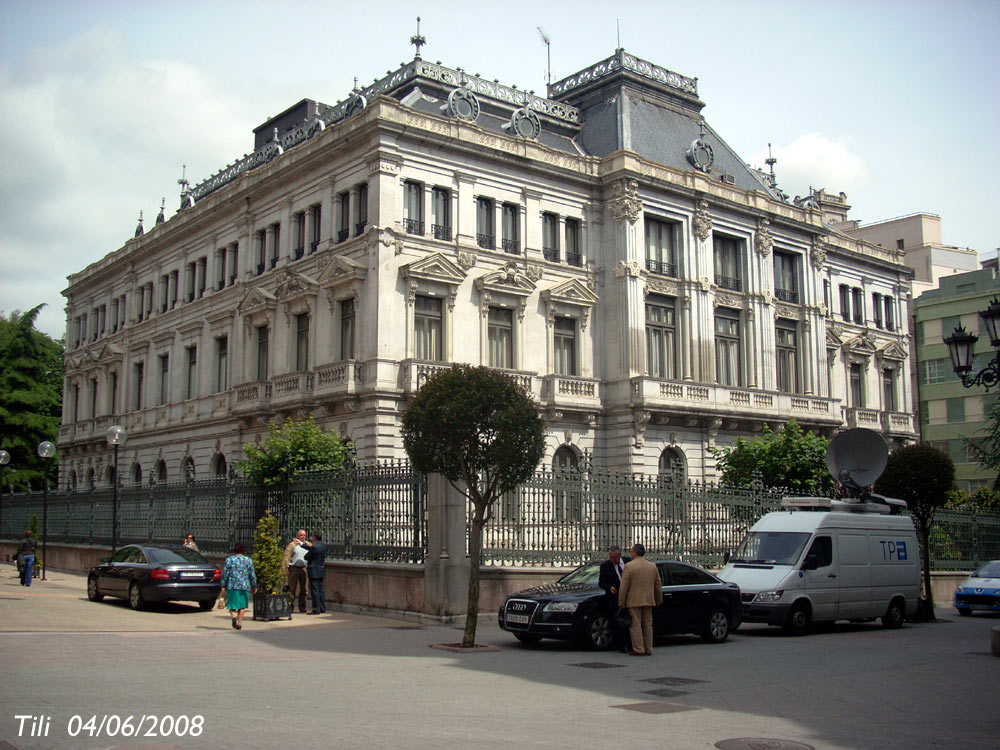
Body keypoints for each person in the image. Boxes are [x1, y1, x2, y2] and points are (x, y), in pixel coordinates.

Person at [618, 542, 663, 656]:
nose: (631, 553)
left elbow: (624, 587)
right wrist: (658, 599)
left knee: (635, 625)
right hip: (648, 599)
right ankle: (648, 648)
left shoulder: (629, 566)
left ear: (635, 552)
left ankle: (639, 648)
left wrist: (621, 602)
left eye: (632, 551)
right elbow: (658, 584)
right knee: (648, 625)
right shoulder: (652, 566)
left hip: (633, 600)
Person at [598, 544, 629, 652]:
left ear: (620, 556)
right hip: (614, 598)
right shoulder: (605, 566)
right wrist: (609, 587)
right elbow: (601, 582)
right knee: (618, 623)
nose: (612, 560)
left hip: (629, 597)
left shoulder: (628, 562)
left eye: (615, 557)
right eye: (611, 557)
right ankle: (621, 645)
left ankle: (630, 643)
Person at [220, 542, 257, 630]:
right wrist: (254, 585)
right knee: (242, 606)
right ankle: (239, 624)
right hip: (244, 586)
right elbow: (252, 574)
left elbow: (225, 574)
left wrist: (223, 585)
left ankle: (233, 617)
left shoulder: (229, 560)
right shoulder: (248, 560)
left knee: (231, 605)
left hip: (232, 585)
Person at [283, 529, 309, 613]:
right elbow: (287, 556)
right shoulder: (292, 545)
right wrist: (286, 568)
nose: (303, 536)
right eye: (301, 535)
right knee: (292, 588)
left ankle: (302, 606)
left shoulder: (307, 544)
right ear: (298, 536)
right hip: (294, 568)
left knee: (304, 589)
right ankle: (290, 606)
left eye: (304, 535)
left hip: (303, 568)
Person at [302, 531, 327, 614]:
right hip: (321, 570)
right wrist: (302, 545)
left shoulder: (315, 547)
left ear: (314, 537)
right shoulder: (323, 546)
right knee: (320, 590)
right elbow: (312, 549)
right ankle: (322, 607)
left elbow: (306, 556)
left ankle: (316, 608)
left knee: (315, 590)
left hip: (314, 571)